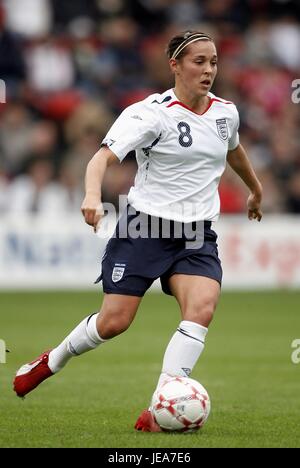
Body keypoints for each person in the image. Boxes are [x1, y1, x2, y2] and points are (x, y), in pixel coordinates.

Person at [13, 31, 263, 432]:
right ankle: (51, 360)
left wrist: (254, 188)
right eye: (198, 61)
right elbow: (101, 158)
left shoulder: (226, 113)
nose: (209, 70)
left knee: (202, 309)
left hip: (196, 234)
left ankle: (157, 410)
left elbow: (232, 149)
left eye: (214, 61)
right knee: (114, 322)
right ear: (175, 65)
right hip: (145, 227)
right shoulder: (149, 113)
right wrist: (93, 196)